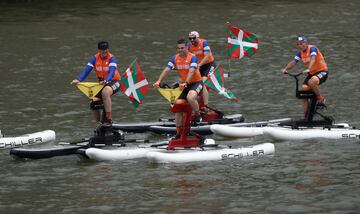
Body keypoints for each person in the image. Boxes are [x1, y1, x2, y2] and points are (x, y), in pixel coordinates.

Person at [154, 38, 203, 137]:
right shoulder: (175, 58)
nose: (180, 50)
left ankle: (198, 114)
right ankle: (179, 132)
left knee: (190, 97)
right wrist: (159, 81)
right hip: (184, 85)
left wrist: (186, 82)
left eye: (182, 48)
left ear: (187, 48)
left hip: (196, 83)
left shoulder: (193, 57)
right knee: (176, 106)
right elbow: (167, 70)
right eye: (178, 48)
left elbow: (192, 71)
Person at [71, 41, 121, 127]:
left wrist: (106, 80)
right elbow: (86, 70)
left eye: (106, 51)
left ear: (108, 50)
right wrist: (78, 79)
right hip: (101, 84)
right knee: (93, 99)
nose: (105, 53)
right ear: (99, 50)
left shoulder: (112, 58)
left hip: (114, 82)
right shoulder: (94, 59)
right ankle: (99, 124)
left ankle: (108, 119)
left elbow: (112, 72)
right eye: (102, 52)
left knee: (105, 92)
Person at [282, 35, 328, 117]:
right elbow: (293, 62)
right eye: (298, 44)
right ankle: (306, 115)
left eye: (302, 43)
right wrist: (286, 69)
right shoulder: (300, 53)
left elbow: (313, 58)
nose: (300, 45)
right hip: (312, 73)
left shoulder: (312, 49)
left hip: (322, 71)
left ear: (306, 43)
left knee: (312, 82)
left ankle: (320, 98)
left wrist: (308, 69)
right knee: (303, 91)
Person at [187, 31, 216, 111]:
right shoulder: (189, 45)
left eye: (194, 38)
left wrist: (199, 65)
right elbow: (188, 58)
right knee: (194, 82)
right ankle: (197, 102)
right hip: (198, 66)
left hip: (208, 64)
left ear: (198, 37)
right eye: (190, 38)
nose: (192, 40)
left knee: (202, 82)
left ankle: (205, 105)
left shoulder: (204, 43)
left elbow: (207, 56)